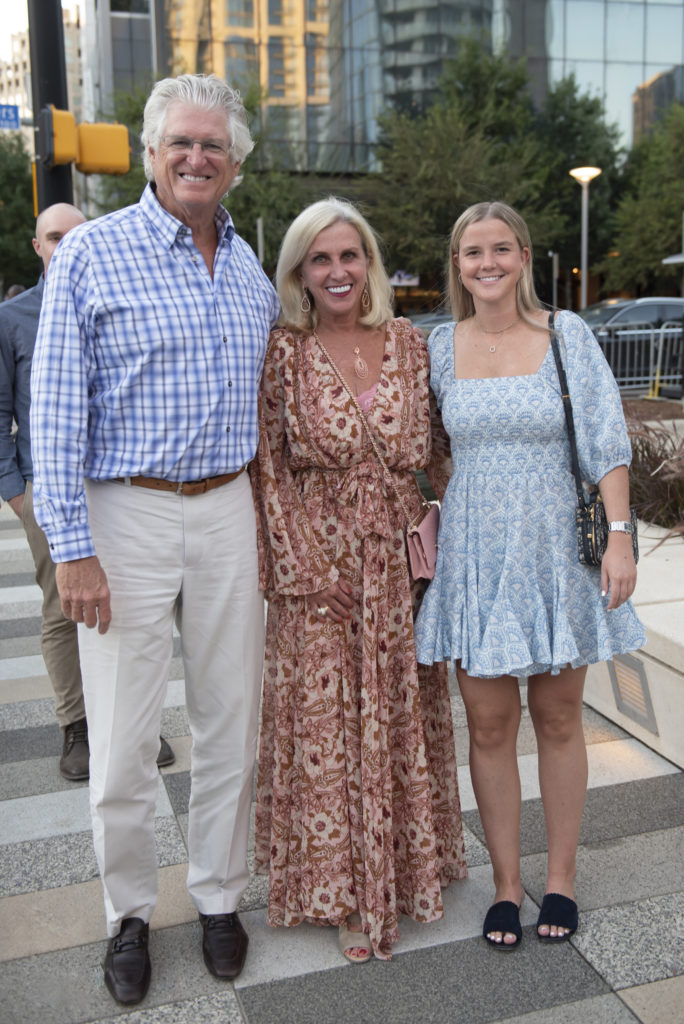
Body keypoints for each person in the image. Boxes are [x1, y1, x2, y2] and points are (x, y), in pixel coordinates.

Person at [30, 74, 278, 1005]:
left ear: (236, 165)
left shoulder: (251, 266)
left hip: (226, 508)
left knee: (229, 724)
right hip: (123, 511)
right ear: (149, 153)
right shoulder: (92, 254)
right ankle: (128, 912)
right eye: (181, 142)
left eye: (214, 145)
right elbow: (53, 416)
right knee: (127, 739)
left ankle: (219, 896)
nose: (197, 158)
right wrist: (73, 549)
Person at [414, 201, 646, 950]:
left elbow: (607, 438)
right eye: (473, 251)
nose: (488, 263)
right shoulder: (438, 347)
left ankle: (561, 879)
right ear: (458, 264)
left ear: (524, 256)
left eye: (502, 249)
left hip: (554, 553)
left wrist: (619, 539)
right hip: (476, 553)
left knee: (556, 717)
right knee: (486, 724)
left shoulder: (565, 335)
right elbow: (422, 450)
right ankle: (506, 884)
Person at [251, 197, 467, 963]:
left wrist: (454, 543)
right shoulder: (284, 351)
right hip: (320, 563)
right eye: (321, 259)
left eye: (351, 256)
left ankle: (409, 869)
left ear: (370, 264)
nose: (338, 271)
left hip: (399, 562)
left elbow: (443, 450)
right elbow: (267, 468)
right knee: (329, 727)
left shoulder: (412, 343)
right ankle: (342, 891)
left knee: (403, 710)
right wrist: (304, 570)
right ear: (299, 273)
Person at [0, 204, 176, 781]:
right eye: (55, 237)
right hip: (46, 489)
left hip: (116, 487)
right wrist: (17, 492)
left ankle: (136, 725)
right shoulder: (14, 317)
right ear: (37, 246)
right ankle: (76, 724)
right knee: (63, 607)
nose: (68, 244)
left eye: (77, 233)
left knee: (127, 608)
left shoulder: (119, 291)